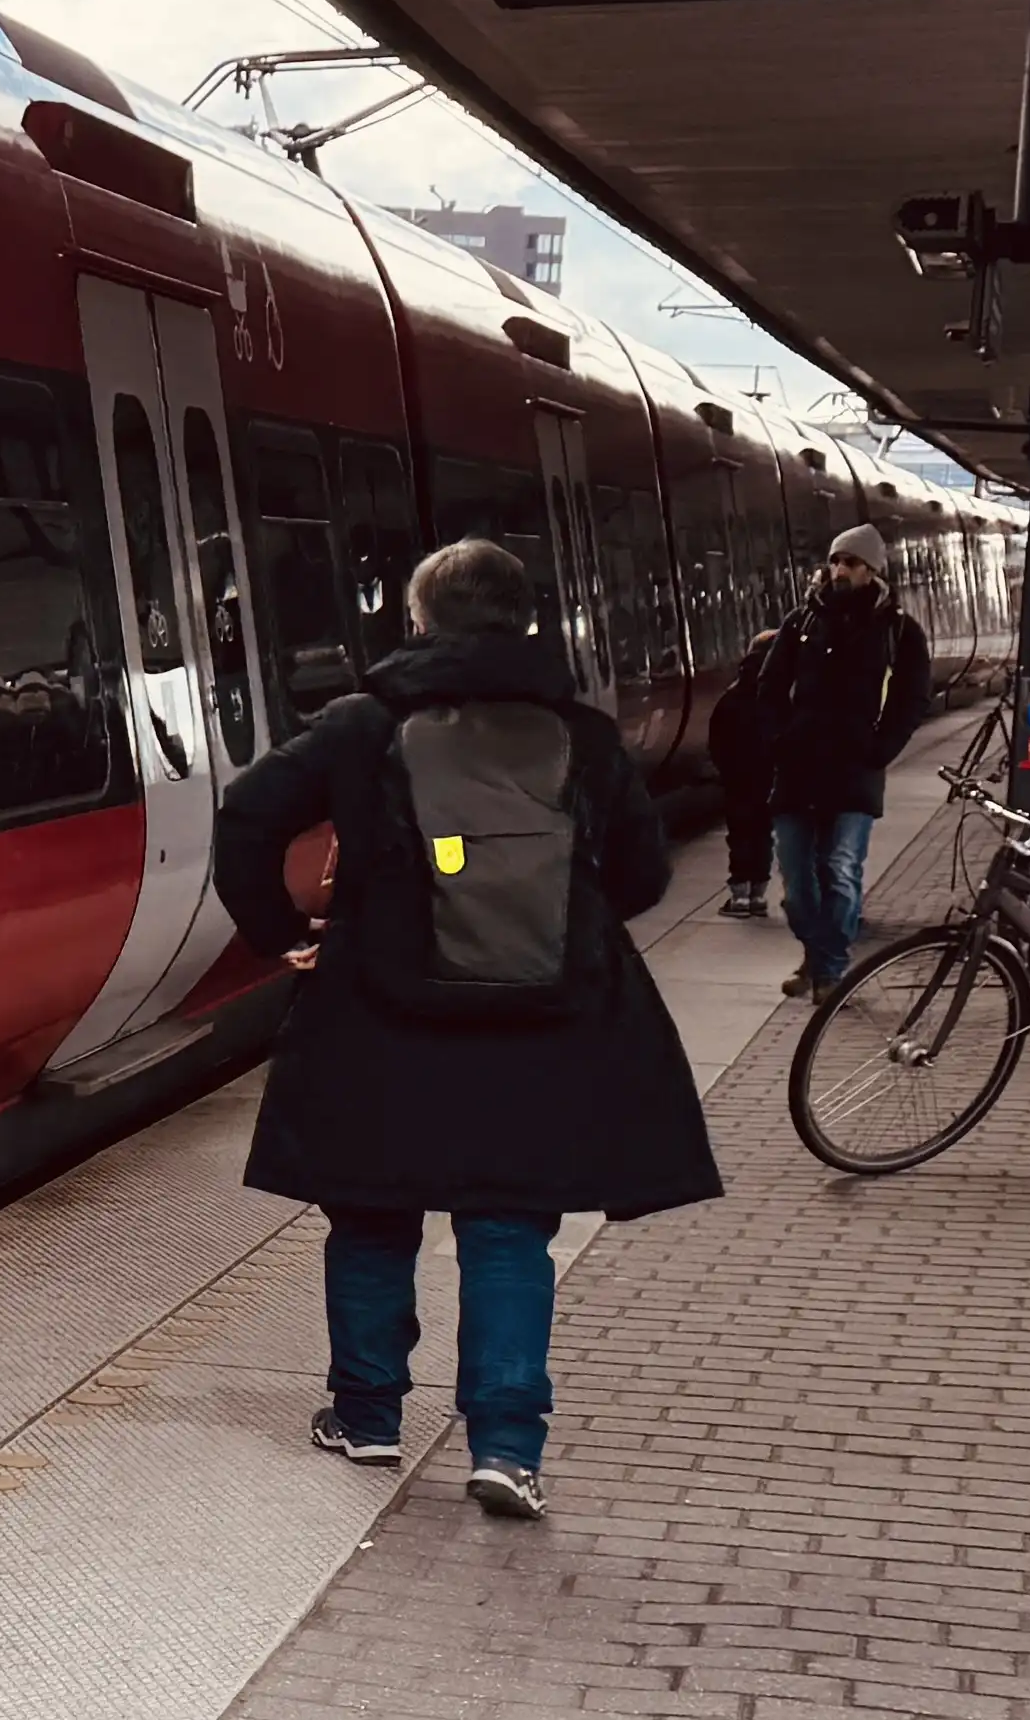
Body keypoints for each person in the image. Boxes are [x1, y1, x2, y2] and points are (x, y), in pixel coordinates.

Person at [215, 536, 723, 1522]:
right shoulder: (581, 730)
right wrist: (558, 922)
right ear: (527, 621)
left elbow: (247, 815)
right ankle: (505, 1447)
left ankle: (366, 1416)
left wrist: (283, 934)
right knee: (506, 1231)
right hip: (536, 1025)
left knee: (369, 1215)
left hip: (379, 1013)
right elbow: (645, 876)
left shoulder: (359, 725)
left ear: (418, 621)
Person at [760, 524, 933, 992]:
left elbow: (911, 696)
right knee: (797, 886)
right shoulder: (801, 623)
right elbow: (769, 687)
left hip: (855, 771)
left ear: (871, 570)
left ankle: (830, 971)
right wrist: (779, 738)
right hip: (797, 769)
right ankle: (816, 958)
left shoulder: (899, 630)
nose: (839, 570)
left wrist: (880, 748)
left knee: (840, 869)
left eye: (851, 563)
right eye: (835, 560)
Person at [706, 591, 781, 920]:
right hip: (769, 778)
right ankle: (759, 895)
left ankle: (739, 897)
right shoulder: (780, 696)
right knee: (764, 833)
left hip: (737, 780)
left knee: (739, 833)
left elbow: (716, 739)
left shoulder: (731, 696)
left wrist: (725, 770)